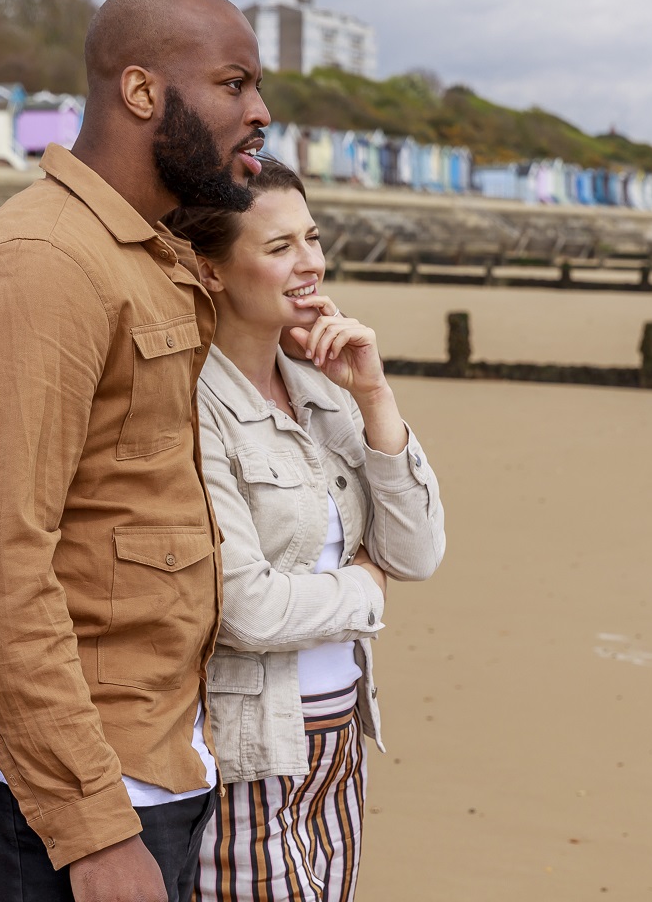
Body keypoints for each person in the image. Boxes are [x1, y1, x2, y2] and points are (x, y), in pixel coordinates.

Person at [0, 0, 271, 902]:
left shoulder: (144, 257)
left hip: (144, 753)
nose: (259, 113)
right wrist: (92, 829)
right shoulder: (42, 270)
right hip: (47, 786)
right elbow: (0, 567)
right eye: (234, 84)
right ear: (142, 92)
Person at [165, 157, 446, 901]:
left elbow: (417, 552)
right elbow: (245, 608)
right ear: (212, 269)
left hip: (344, 740)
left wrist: (375, 393)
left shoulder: (323, 390)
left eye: (313, 239)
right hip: (251, 751)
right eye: (279, 246)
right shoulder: (194, 407)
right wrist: (363, 588)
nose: (311, 264)